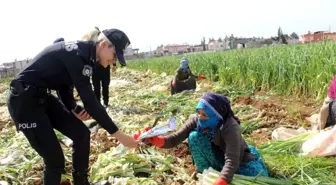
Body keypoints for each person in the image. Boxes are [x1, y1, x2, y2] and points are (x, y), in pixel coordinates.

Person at [7, 28, 138, 185]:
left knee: (81, 134)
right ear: (103, 45)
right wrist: (120, 136)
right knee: (54, 160)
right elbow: (91, 103)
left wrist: (74, 109)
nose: (115, 61)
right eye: (115, 55)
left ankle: (81, 182)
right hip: (25, 101)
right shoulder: (78, 55)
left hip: (42, 96)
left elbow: (63, 87)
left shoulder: (86, 56)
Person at [143, 92, 269, 185]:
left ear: (217, 116)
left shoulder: (230, 127)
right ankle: (204, 173)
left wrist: (221, 181)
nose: (200, 117)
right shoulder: (196, 120)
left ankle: (221, 175)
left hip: (238, 160)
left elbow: (232, 160)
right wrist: (158, 140)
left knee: (254, 177)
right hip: (216, 154)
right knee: (194, 137)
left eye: (204, 115)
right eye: (199, 112)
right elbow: (176, 138)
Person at [81, 27, 117, 108]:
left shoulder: (104, 43)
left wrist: (114, 65)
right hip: (95, 70)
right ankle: (98, 104)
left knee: (105, 86)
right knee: (96, 87)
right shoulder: (92, 46)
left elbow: (112, 56)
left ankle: (105, 103)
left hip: (105, 69)